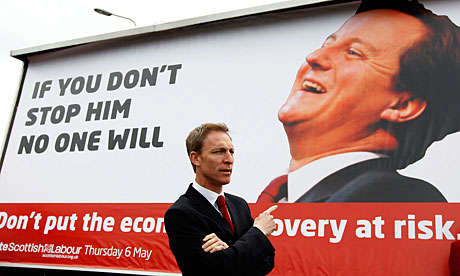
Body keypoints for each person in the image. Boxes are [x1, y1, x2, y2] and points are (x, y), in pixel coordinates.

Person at [257, 0, 460, 203]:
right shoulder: (289, 194)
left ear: (403, 106)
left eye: (354, 52)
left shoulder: (397, 197)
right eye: (326, 44)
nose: (314, 56)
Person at [164, 123, 277, 276]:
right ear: (196, 158)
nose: (229, 159)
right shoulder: (180, 213)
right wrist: (259, 231)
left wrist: (229, 252)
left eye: (232, 152)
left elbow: (267, 262)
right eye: (218, 152)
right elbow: (215, 271)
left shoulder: (239, 205)